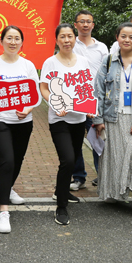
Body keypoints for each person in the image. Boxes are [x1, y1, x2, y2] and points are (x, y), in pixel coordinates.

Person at [92, 22, 132, 227]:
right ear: (117, 37)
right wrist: (98, 119)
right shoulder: (108, 61)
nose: (127, 40)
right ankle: (115, 193)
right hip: (112, 117)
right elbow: (98, 91)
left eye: (131, 37)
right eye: (123, 36)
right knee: (114, 157)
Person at [0, 26, 37, 233]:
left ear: (22, 42)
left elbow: (34, 93)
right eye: (9, 38)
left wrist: (27, 109)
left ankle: (8, 188)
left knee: (17, 160)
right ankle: (3, 211)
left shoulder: (28, 65)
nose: (13, 42)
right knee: (7, 161)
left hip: (24, 121)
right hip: (1, 120)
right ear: (1, 41)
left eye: (17, 38)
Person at [40, 23, 95, 226]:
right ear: (56, 40)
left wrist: (90, 106)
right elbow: (44, 88)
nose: (66, 40)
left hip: (78, 119)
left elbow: (87, 87)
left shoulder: (83, 61)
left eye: (70, 36)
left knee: (74, 157)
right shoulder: (50, 62)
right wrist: (54, 103)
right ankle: (61, 206)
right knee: (68, 160)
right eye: (62, 37)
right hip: (59, 119)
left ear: (75, 39)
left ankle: (60, 190)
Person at [71, 9, 108, 190]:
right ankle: (79, 177)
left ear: (93, 25)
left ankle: (102, 176)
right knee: (75, 141)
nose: (85, 24)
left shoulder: (102, 48)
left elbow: (107, 74)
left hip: (95, 102)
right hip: (75, 101)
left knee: (97, 139)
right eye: (82, 21)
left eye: (88, 21)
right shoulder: (70, 44)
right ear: (75, 25)